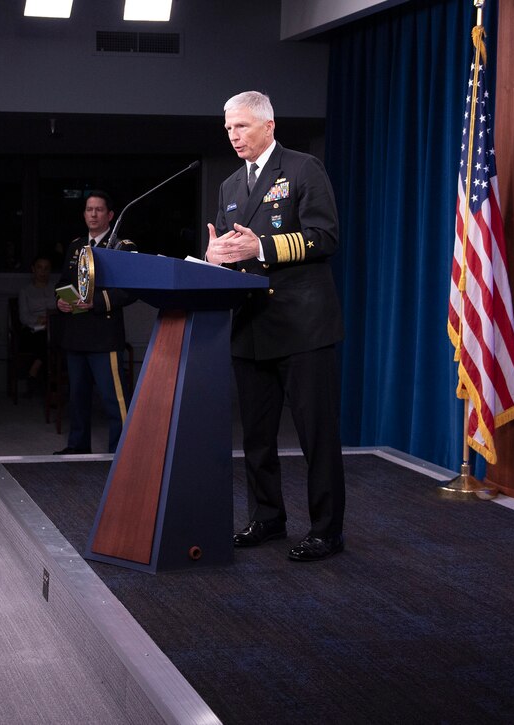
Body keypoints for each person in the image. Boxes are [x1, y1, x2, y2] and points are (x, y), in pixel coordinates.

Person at [205, 90, 346, 562]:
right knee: (257, 437)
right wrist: (215, 257)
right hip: (251, 326)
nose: (233, 136)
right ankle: (268, 517)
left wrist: (260, 248)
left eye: (241, 127)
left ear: (268, 125)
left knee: (315, 435)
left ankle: (326, 530)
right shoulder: (228, 186)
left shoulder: (303, 169)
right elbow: (230, 247)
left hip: (303, 326)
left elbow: (324, 237)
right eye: (228, 129)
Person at [53, 191, 134, 455]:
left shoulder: (122, 247)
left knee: (114, 400)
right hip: (76, 333)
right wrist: (60, 300)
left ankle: (120, 452)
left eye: (99, 210)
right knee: (77, 397)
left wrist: (96, 303)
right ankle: (77, 447)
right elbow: (63, 283)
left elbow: (130, 290)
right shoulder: (76, 246)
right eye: (89, 209)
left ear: (110, 215)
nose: (93, 214)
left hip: (103, 335)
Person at [17, 255, 56, 396]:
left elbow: (62, 309)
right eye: (40, 268)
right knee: (45, 340)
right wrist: (38, 320)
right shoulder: (26, 291)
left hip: (52, 328)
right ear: (33, 269)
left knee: (53, 339)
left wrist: (50, 319)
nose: (43, 272)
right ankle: (51, 388)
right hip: (33, 330)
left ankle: (34, 370)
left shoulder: (56, 289)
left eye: (46, 268)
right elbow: (23, 316)